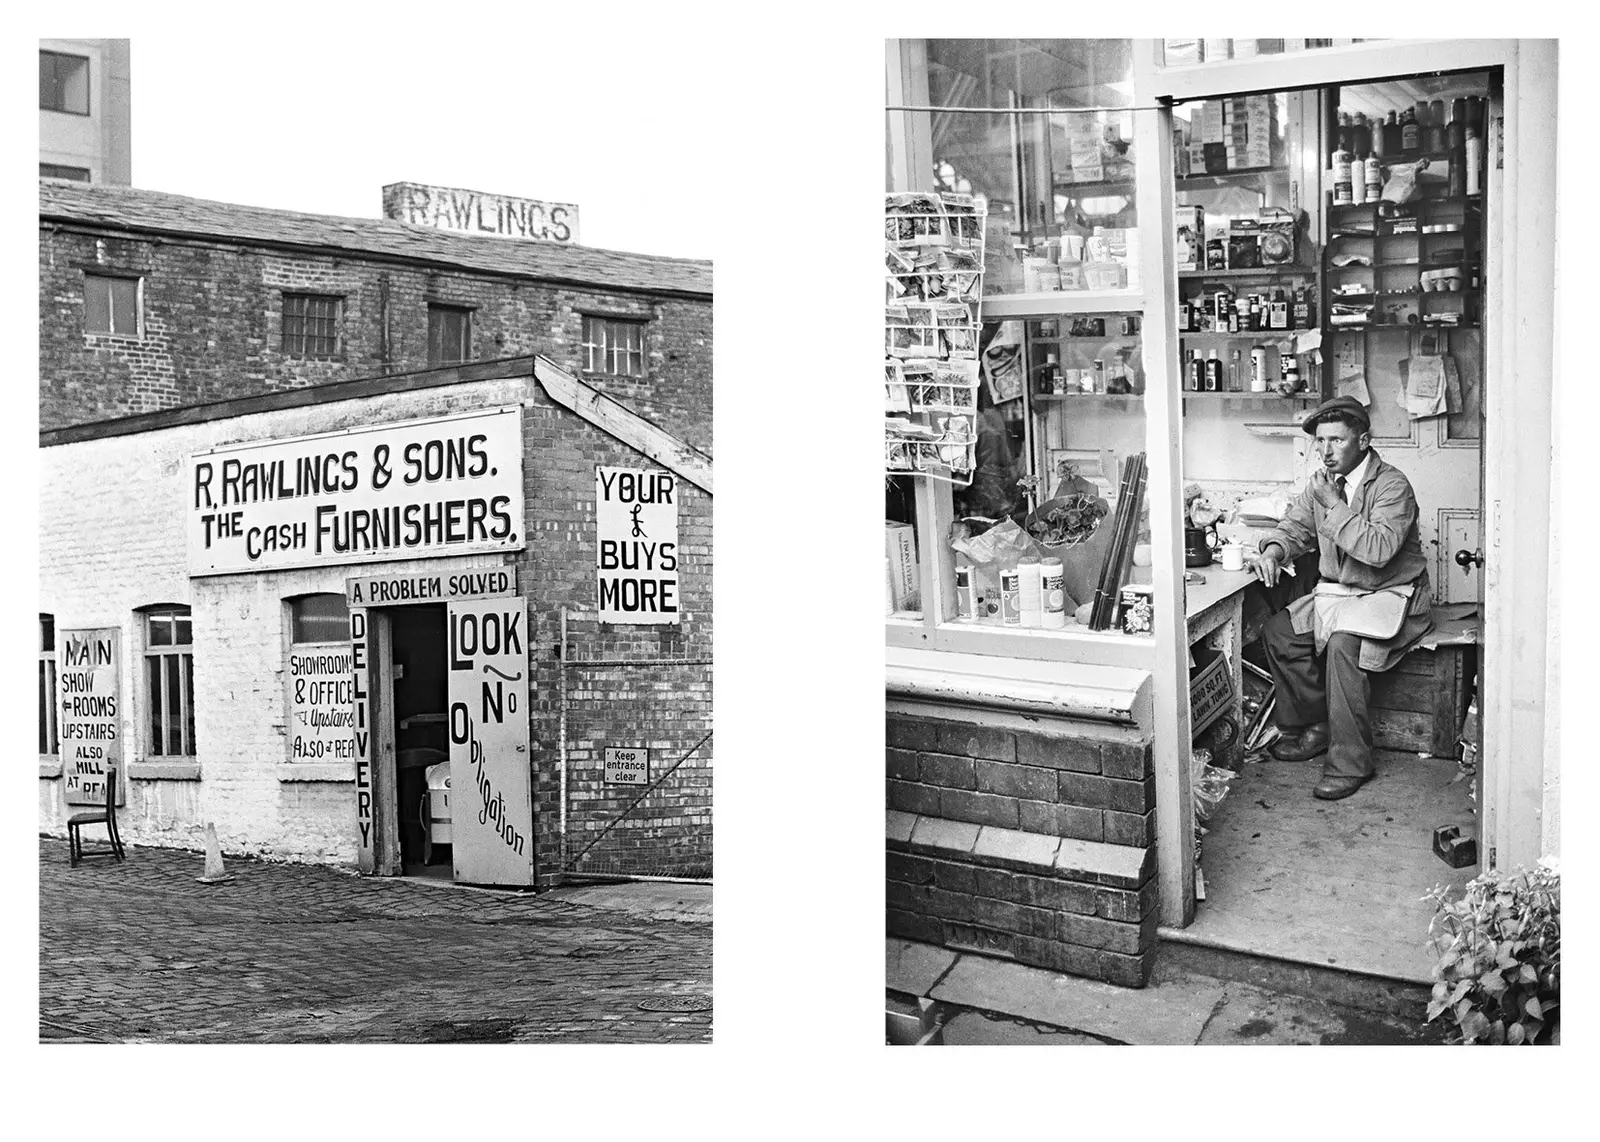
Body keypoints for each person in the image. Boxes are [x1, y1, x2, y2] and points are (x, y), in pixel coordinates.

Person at [1247, 397, 1434, 800]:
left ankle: (1351, 762)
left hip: (1392, 595)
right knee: (1280, 632)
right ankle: (1318, 726)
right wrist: (1273, 551)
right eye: (1320, 441)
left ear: (1363, 441)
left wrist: (1332, 504)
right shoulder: (1321, 483)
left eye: (1337, 440)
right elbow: (1295, 526)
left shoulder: (1392, 485)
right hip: (1342, 594)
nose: (1325, 451)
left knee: (1342, 646)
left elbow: (1380, 549)